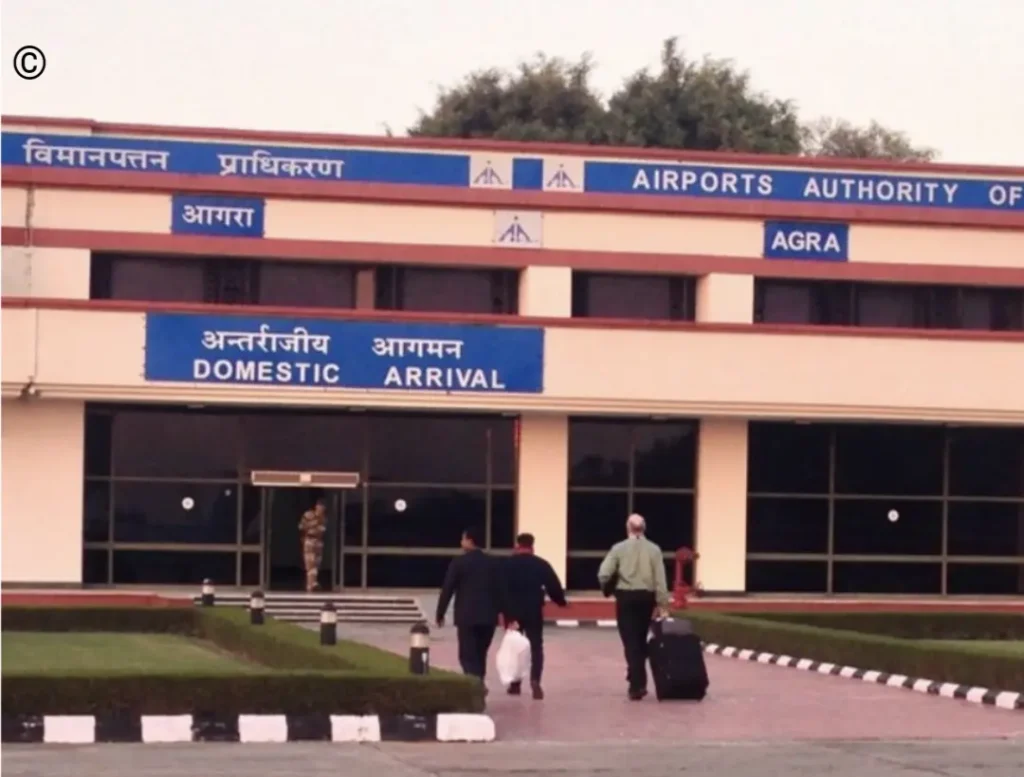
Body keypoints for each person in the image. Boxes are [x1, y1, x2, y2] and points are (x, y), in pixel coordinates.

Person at [597, 513, 670, 701]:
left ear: (628, 528)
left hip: (626, 598)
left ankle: (636, 684)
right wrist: (663, 604)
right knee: (641, 639)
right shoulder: (654, 550)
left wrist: (611, 588)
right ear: (644, 528)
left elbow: (604, 573)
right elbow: (660, 580)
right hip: (647, 598)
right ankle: (637, 678)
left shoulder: (618, 548)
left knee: (630, 641)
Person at [436, 527, 515, 686]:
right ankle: (478, 683)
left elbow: (448, 589)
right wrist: (508, 616)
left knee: (466, 655)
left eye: (463, 539)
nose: (461, 542)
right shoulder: (494, 563)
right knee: (480, 654)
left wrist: (440, 613)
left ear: (470, 541)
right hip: (488, 618)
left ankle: (475, 685)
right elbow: (502, 590)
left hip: (466, 617)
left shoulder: (459, 563)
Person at [502, 532, 568, 700]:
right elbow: (554, 586)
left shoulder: (507, 564)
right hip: (533, 611)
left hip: (513, 613)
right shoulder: (541, 564)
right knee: (536, 647)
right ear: (532, 546)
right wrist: (561, 602)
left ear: (517, 545)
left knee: (516, 648)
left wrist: (500, 608)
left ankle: (515, 684)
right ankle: (535, 680)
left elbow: (498, 587)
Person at [298, 498, 327, 592]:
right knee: (310, 564)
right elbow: (301, 527)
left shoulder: (324, 518)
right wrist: (314, 524)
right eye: (320, 507)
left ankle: (312, 584)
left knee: (316, 565)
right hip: (310, 541)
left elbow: (323, 529)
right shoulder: (308, 515)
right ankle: (311, 585)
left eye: (323, 508)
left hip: (319, 542)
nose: (321, 509)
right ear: (316, 506)